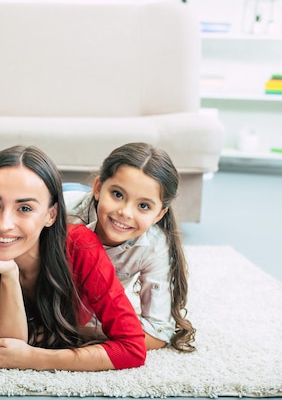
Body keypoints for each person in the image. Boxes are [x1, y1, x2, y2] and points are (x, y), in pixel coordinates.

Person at [0, 145, 147, 371]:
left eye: (24, 208)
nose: (3, 224)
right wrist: (8, 273)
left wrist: (34, 358)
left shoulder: (82, 246)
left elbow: (132, 348)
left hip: (75, 198)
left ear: (50, 215)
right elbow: (3, 347)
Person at [65, 142, 196, 352]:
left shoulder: (153, 246)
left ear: (159, 214)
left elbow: (158, 332)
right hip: (69, 194)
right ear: (98, 188)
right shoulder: (63, 214)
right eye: (117, 194)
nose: (126, 212)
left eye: (143, 206)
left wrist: (87, 329)